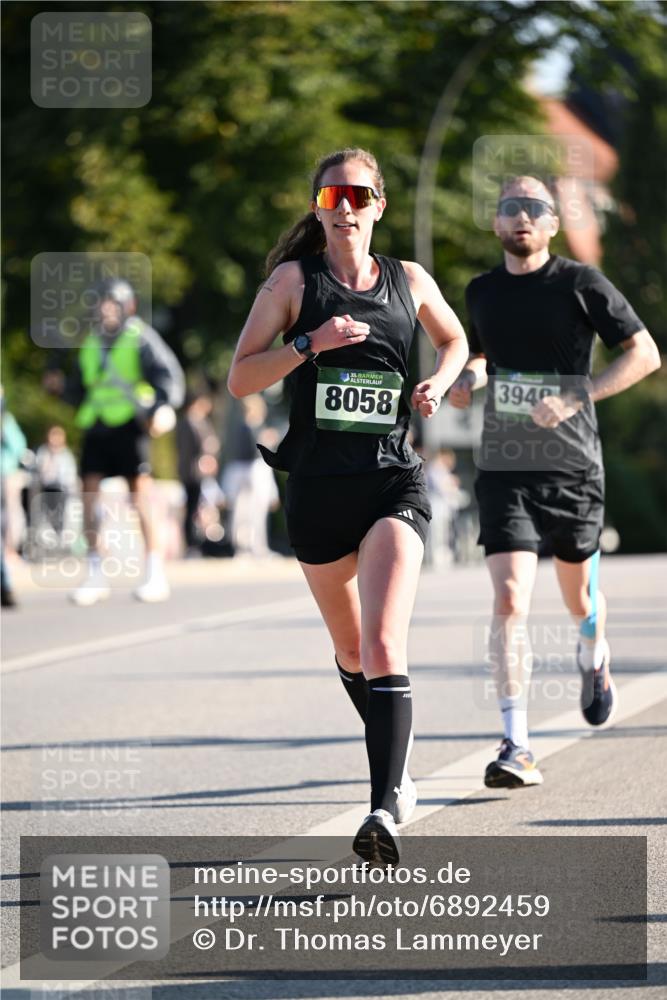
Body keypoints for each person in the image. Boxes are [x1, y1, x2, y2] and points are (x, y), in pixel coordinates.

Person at [227, 147, 468, 863]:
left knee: (386, 641)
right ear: (316, 208)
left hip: (392, 480)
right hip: (316, 489)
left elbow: (454, 340)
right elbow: (241, 378)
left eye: (359, 197)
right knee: (353, 650)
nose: (346, 209)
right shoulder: (292, 282)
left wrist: (439, 379)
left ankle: (384, 806)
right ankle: (396, 750)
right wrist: (308, 343)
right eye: (332, 198)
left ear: (378, 206)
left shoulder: (409, 280)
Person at [449, 175, 660, 789]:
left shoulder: (580, 283)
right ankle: (516, 743)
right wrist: (469, 376)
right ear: (495, 222)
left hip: (572, 467)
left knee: (580, 602)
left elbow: (643, 353)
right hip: (504, 466)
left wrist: (579, 395)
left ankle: (594, 655)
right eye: (510, 207)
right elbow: (486, 355)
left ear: (551, 225)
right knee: (511, 597)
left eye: (534, 208)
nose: (521, 217)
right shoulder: (482, 290)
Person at [44, 278, 185, 604]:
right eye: (101, 303)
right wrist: (58, 388)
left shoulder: (141, 339)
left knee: (140, 496)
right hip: (97, 426)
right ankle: (94, 572)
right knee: (89, 497)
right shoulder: (91, 343)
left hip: (130, 426)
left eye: (112, 303)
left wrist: (161, 407)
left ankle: (154, 572)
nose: (105, 309)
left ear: (128, 307)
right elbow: (80, 391)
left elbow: (169, 377)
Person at [220, 394, 280, 557]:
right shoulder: (251, 426)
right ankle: (250, 547)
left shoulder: (242, 427)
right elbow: (255, 452)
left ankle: (250, 547)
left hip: (245, 471)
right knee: (249, 512)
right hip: (252, 471)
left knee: (247, 512)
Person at [176, 390, 220, 554]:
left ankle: (198, 541)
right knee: (192, 507)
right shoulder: (189, 422)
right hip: (193, 471)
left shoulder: (197, 422)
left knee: (200, 507)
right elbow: (195, 447)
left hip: (197, 471)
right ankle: (191, 543)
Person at [1, 394, 28, 608]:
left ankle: (5, 579)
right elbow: (19, 447)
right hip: (5, 474)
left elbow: (18, 446)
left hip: (5, 475)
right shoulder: (6, 420)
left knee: (9, 517)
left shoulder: (5, 422)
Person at [33, 425, 78, 548]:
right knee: (45, 515)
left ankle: (61, 540)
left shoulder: (66, 454)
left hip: (62, 490)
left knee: (61, 516)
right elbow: (41, 472)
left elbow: (70, 476)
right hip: (46, 489)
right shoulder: (43, 452)